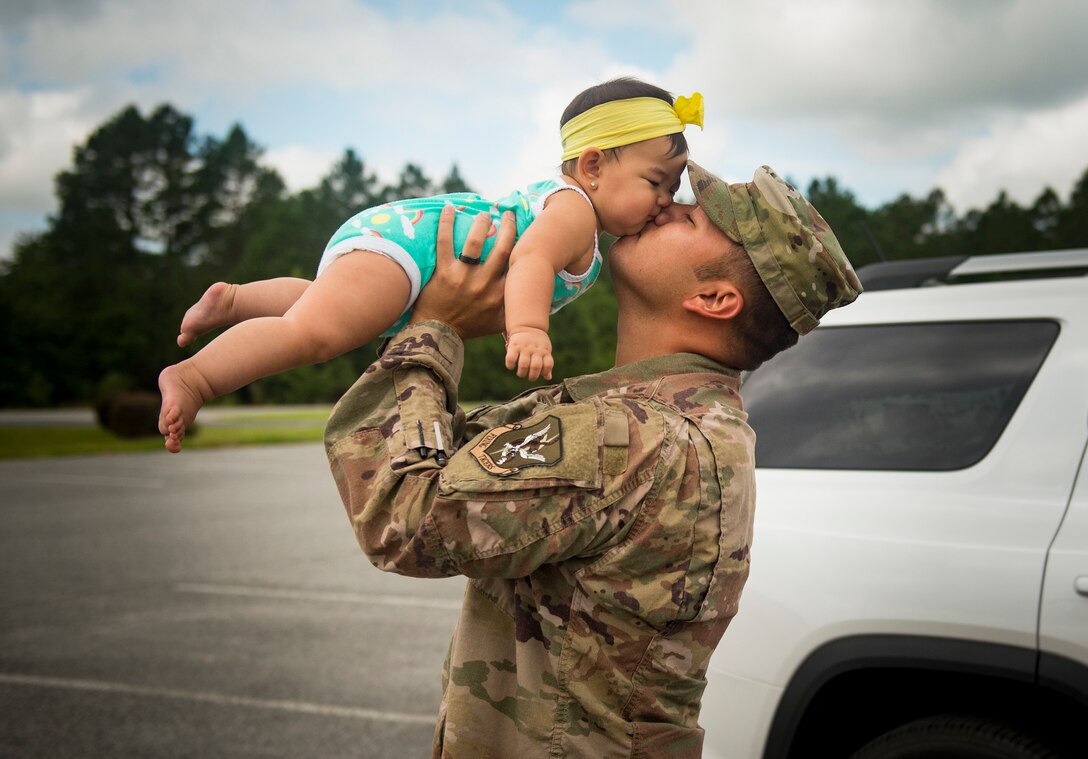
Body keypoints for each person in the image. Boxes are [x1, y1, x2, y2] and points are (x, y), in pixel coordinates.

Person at [323, 160, 863, 758]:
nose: (665, 205)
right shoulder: (654, 416)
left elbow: (404, 518)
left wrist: (433, 327)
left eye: (690, 218)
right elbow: (453, 458)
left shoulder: (633, 436)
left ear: (713, 298)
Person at [157, 77, 703, 453]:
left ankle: (236, 299)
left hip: (402, 247)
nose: (663, 199)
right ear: (592, 166)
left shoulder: (577, 210)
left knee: (328, 304)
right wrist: (530, 329)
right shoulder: (574, 212)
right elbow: (532, 257)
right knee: (314, 334)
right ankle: (196, 377)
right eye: (655, 182)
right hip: (413, 250)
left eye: (672, 188)